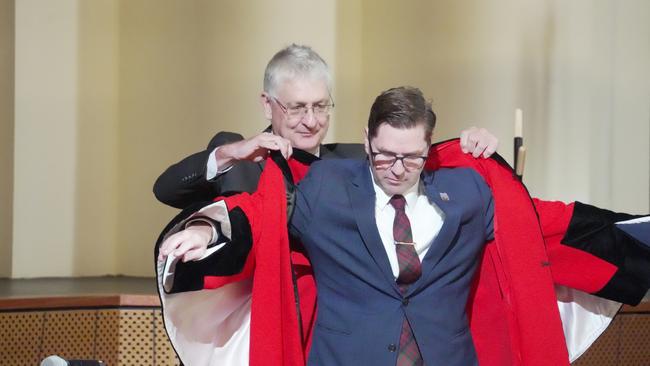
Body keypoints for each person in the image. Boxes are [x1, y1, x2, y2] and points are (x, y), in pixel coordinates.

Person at [157, 87, 650, 366]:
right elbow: (258, 218)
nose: (397, 167)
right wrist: (206, 232)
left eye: (411, 156)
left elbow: (541, 227)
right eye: (386, 154)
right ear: (368, 144)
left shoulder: (472, 193)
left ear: (429, 146)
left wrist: (635, 236)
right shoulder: (325, 191)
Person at [152, 44, 498, 209]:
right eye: (297, 107)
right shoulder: (239, 160)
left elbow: (417, 163)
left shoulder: (357, 161)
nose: (311, 121)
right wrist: (230, 153)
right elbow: (166, 191)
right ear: (266, 104)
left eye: (320, 106)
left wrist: (472, 146)